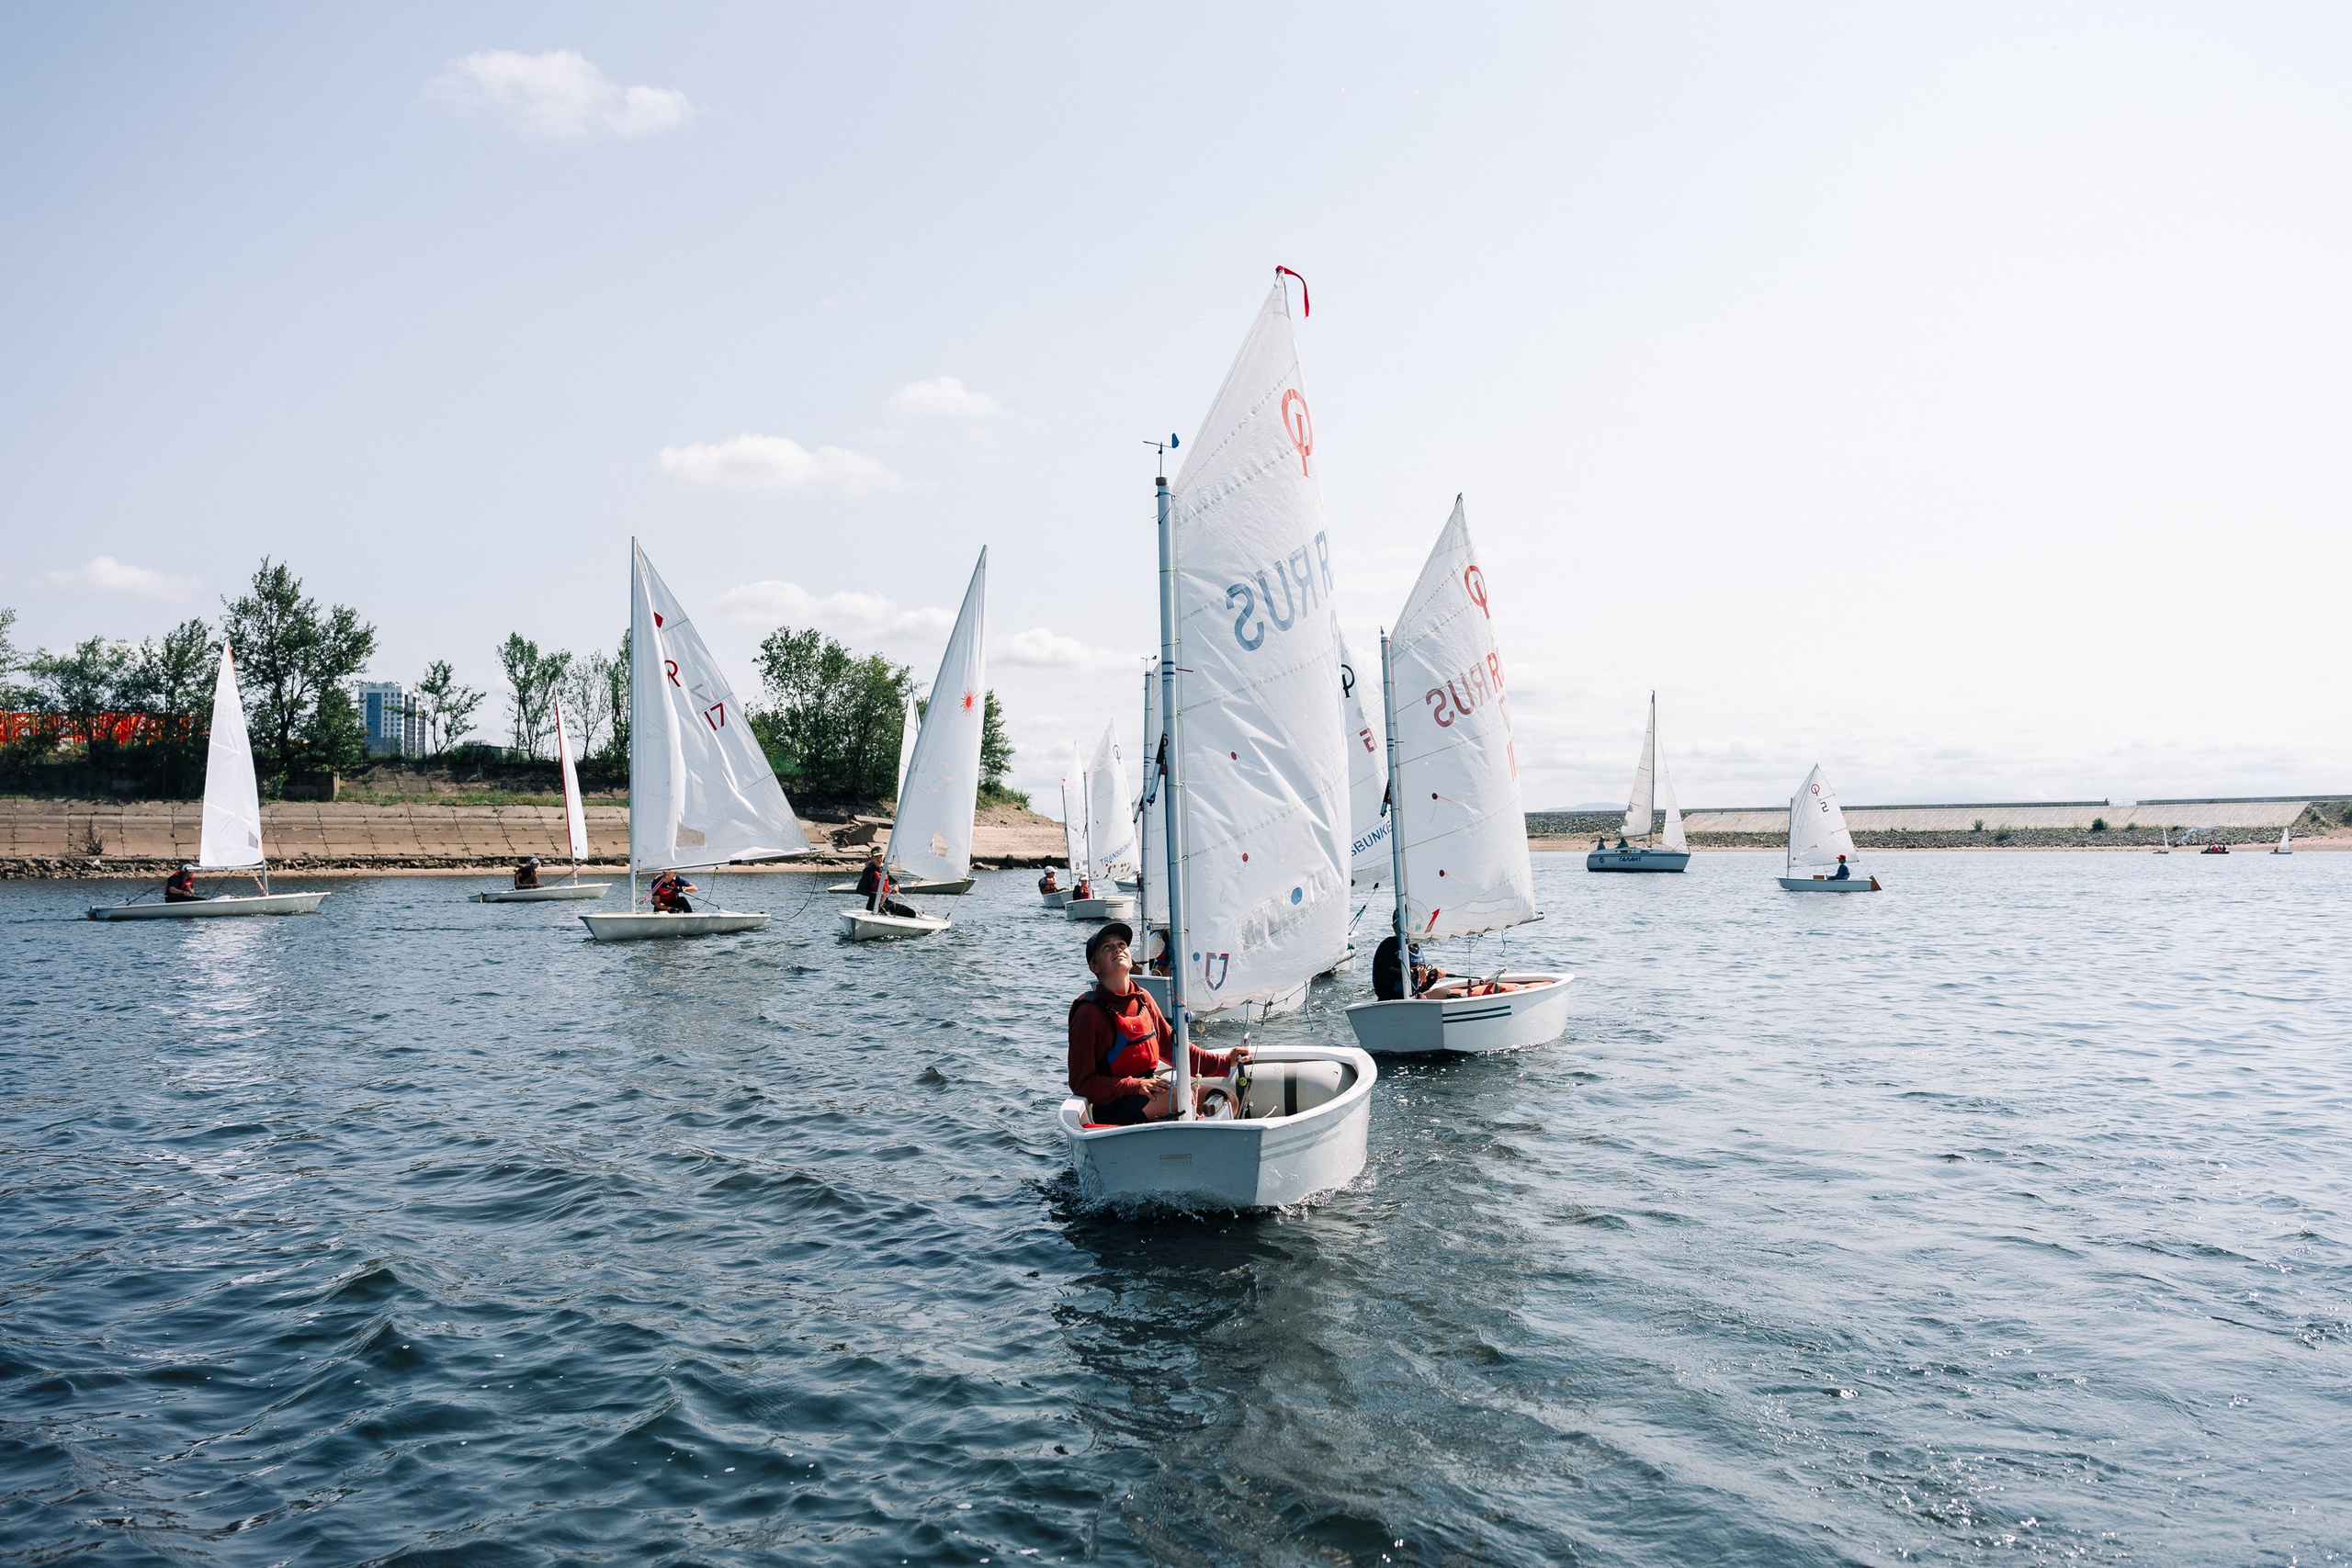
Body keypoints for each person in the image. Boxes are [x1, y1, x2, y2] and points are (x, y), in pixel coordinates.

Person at [1067, 921, 1248, 1124]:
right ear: (1094, 966)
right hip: (1115, 1104)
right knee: (1183, 1098)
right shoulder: (1088, 1013)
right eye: (1106, 947)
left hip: (1150, 1091)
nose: (1117, 948)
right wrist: (1135, 1085)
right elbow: (1081, 1082)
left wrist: (1225, 1062)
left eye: (1122, 944)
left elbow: (1173, 1048)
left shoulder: (1144, 999)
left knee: (1227, 1099)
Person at [1372, 932, 1448, 1001]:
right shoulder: (1390, 945)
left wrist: (1433, 976)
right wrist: (1415, 974)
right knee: (1445, 993)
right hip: (1392, 1000)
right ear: (1395, 926)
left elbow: (1421, 988)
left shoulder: (1415, 947)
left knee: (1444, 992)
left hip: (1412, 997)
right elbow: (1382, 971)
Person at [855, 848, 919, 919]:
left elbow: (895, 882)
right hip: (874, 904)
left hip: (886, 902)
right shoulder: (868, 871)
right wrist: (877, 894)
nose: (879, 859)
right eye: (876, 857)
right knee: (886, 912)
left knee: (911, 913)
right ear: (872, 858)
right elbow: (859, 890)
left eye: (880, 856)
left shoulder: (884, 870)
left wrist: (896, 887)